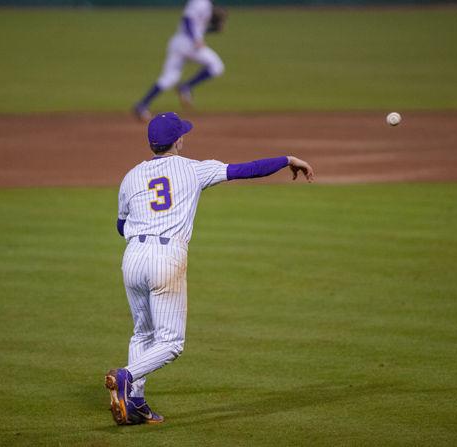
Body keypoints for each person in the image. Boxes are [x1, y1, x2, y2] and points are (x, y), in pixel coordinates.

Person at [105, 112, 315, 425]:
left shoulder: (131, 176)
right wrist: (287, 159)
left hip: (133, 257)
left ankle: (134, 403)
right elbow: (245, 170)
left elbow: (121, 226)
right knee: (171, 344)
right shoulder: (194, 169)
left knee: (143, 332)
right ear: (177, 140)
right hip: (166, 259)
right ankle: (126, 375)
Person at [133, 0, 226, 122]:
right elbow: (187, 19)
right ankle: (186, 86)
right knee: (216, 66)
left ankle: (142, 105)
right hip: (188, 44)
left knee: (169, 77)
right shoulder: (200, 2)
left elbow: (196, 28)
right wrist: (195, 39)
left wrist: (213, 29)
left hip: (179, 43)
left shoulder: (204, 4)